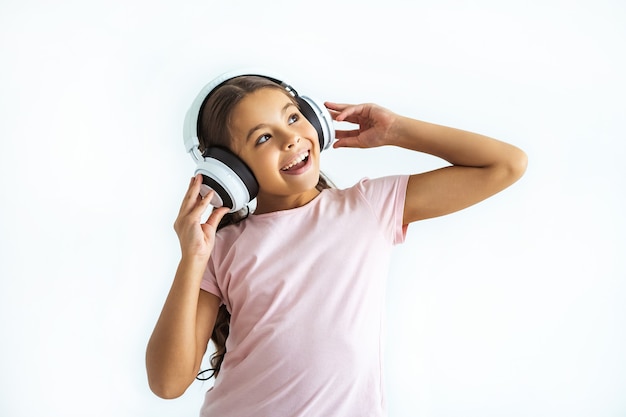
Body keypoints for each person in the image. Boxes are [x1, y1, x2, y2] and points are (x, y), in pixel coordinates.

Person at [145, 74, 527, 416]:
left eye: (292, 117)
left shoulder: (368, 207)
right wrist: (192, 258)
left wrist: (396, 130)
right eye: (263, 137)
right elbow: (167, 384)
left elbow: (506, 164)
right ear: (232, 170)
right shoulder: (222, 247)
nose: (291, 137)